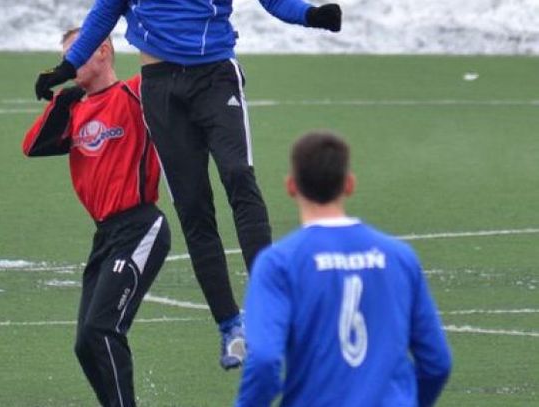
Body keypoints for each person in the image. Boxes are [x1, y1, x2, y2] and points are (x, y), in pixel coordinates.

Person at [33, 0, 342, 369]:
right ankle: (230, 326)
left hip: (215, 75)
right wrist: (68, 66)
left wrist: (309, 15)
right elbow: (106, 10)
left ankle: (271, 306)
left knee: (238, 176)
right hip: (160, 86)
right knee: (192, 205)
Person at [235, 131, 452, 407]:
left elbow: (265, 360)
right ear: (349, 184)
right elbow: (437, 362)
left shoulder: (278, 263)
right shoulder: (399, 257)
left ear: (291, 186)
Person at [23, 29, 171, 407]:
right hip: (105, 236)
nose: (69, 64)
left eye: (77, 53)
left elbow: (169, 74)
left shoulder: (135, 92)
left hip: (141, 226)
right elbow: (33, 146)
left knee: (103, 329)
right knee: (85, 344)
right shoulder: (75, 109)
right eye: (65, 58)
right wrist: (64, 99)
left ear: (103, 50)